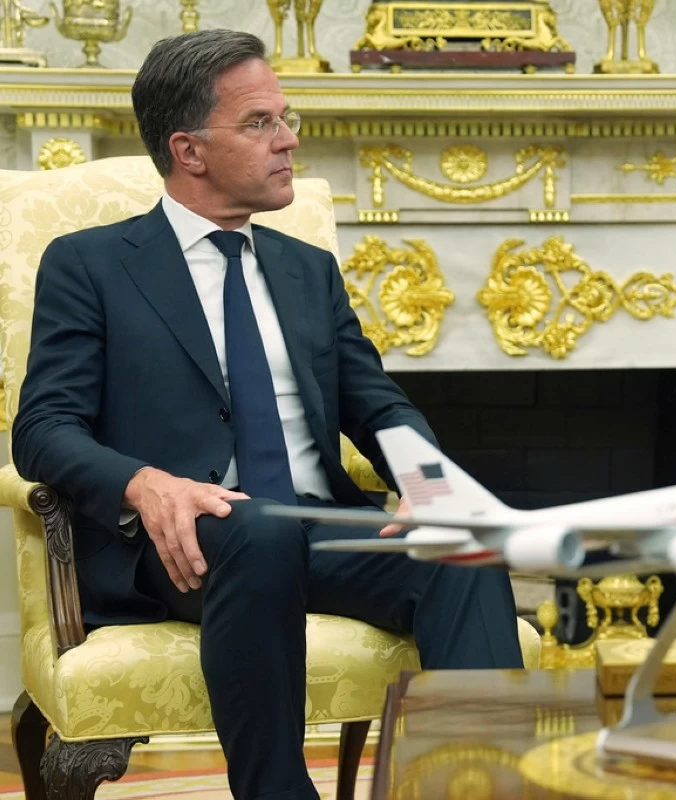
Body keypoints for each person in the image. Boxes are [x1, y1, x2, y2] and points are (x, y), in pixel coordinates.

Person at [11, 29, 523, 800]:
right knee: (256, 528)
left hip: (322, 526)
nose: (289, 140)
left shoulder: (305, 270)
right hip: (192, 545)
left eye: (286, 118)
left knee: (460, 545)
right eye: (261, 123)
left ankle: (479, 789)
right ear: (189, 150)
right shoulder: (91, 264)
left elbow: (375, 403)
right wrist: (148, 485)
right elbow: (42, 428)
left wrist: (430, 485)